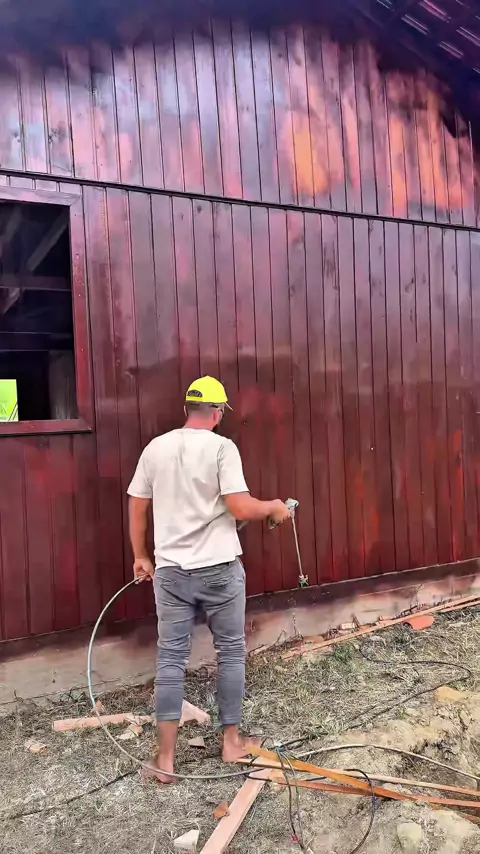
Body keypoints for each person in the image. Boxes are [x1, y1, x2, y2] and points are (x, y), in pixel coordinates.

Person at [127, 376, 292, 782]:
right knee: (230, 652)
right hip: (219, 569)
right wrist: (273, 507)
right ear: (218, 413)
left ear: (187, 409)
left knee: (170, 659)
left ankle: (165, 760)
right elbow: (239, 507)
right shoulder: (222, 448)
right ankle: (231, 743)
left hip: (170, 572)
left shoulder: (155, 448)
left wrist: (141, 556)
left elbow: (137, 504)